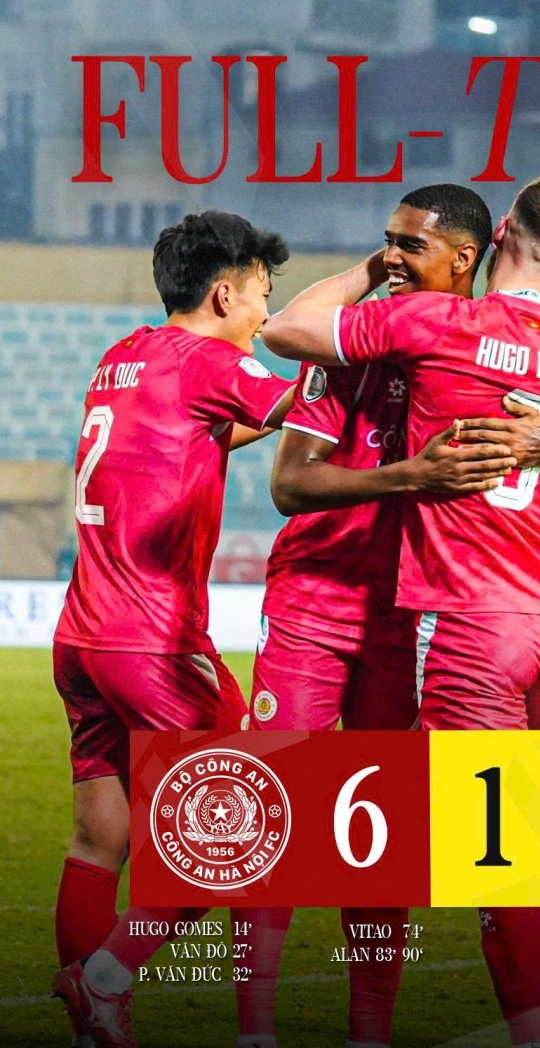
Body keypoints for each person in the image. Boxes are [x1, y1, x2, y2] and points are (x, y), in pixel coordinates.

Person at [263, 179, 540, 1048]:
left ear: (499, 233)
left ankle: (535, 1037)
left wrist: (377, 267)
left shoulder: (438, 323)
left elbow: (285, 329)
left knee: (499, 854)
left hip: (471, 622)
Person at [51, 210, 296, 1048]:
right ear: (225, 294)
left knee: (100, 837)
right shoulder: (210, 361)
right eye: (263, 294)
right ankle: (104, 981)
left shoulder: (126, 356)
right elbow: (308, 407)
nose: (266, 313)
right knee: (255, 816)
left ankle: (90, 1027)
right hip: (153, 641)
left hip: (83, 637)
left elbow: (206, 429)